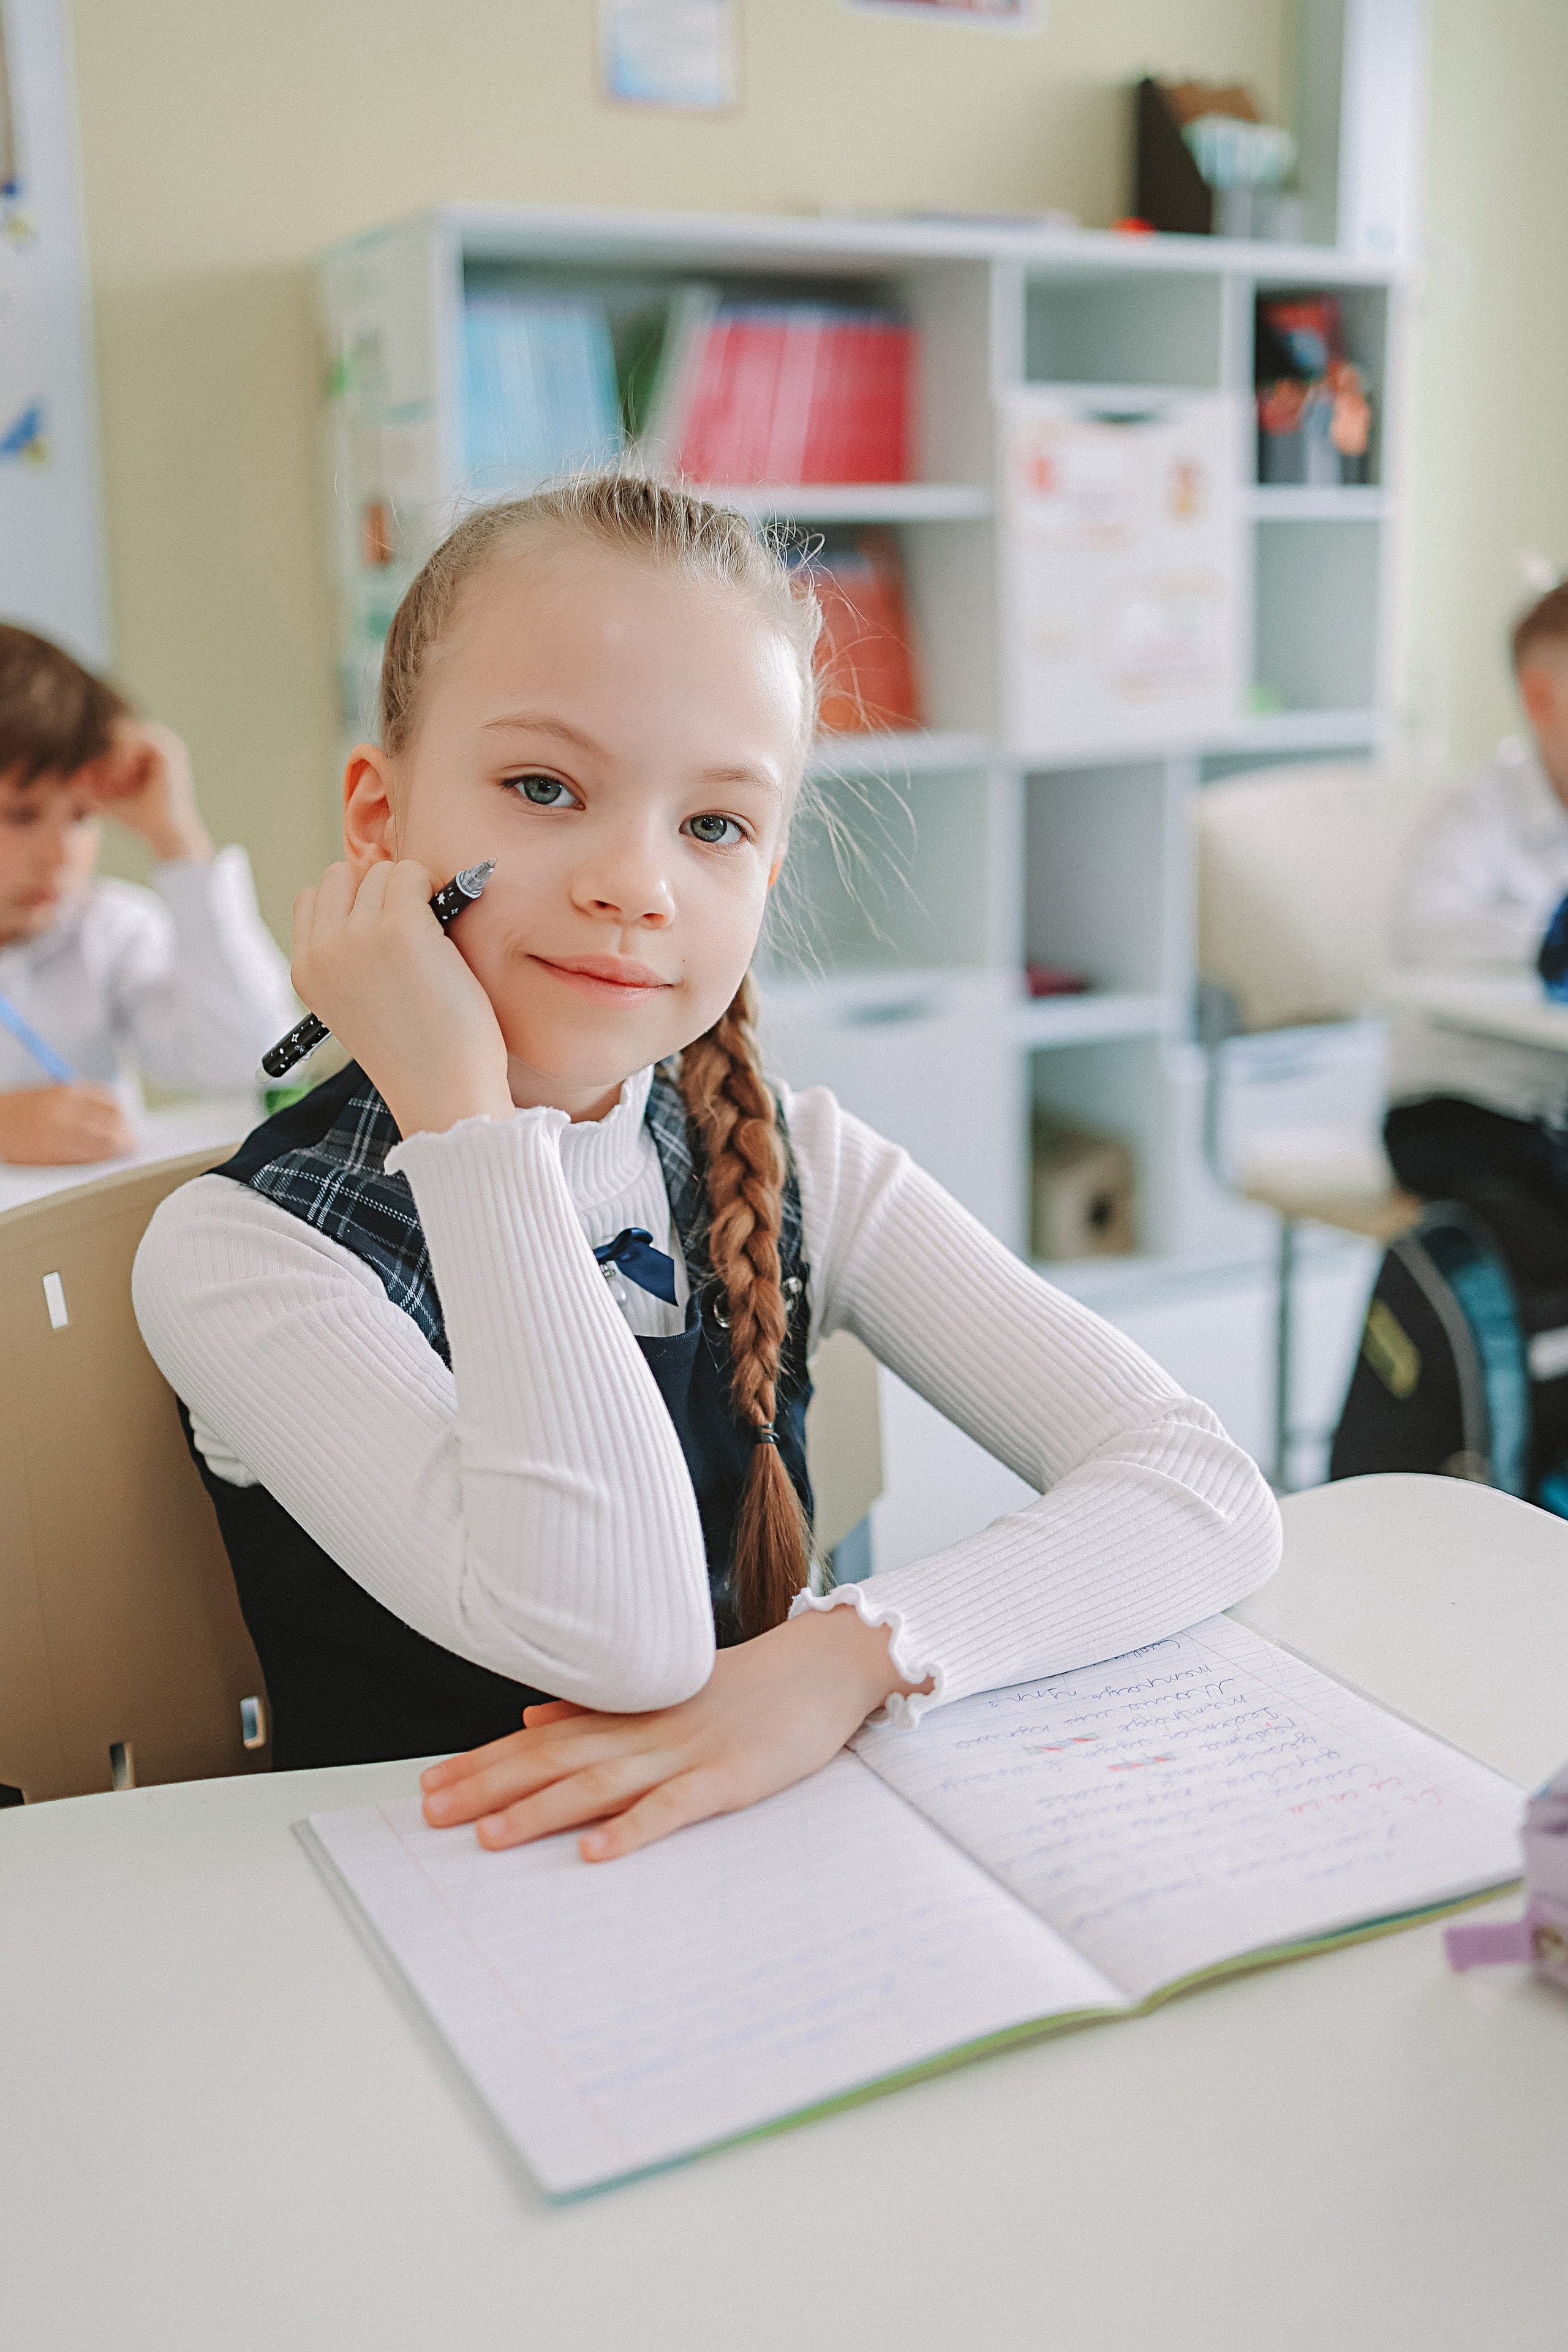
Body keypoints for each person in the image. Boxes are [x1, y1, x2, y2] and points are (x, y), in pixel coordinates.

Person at [133, 473, 1279, 1861]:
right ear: (378, 818)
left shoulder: (802, 1156)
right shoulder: (243, 1247)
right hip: (432, 1946)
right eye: (544, 787)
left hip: (778, 1887)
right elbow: (618, 1642)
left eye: (714, 825)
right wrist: (461, 1114)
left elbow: (1196, 1487)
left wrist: (842, 1657)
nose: (636, 881)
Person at [0, 624, 295, 1164]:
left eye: (82, 816)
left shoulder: (107, 929)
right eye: (20, 815)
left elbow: (256, 1060)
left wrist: (176, 841)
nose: (59, 855)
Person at [1385, 582, 1568, 1211]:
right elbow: (1422, 931)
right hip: (1457, 1107)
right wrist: (1546, 940)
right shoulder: (1477, 810)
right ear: (1542, 699)